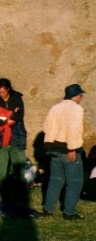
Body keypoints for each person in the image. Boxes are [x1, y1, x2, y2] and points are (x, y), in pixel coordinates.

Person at [42, 83, 86, 219]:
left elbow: (46, 128)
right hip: (69, 150)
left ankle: (48, 209)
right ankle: (69, 212)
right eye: (80, 95)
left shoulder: (55, 107)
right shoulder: (77, 109)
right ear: (76, 95)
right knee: (75, 182)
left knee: (55, 180)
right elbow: (73, 129)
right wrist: (72, 148)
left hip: (54, 150)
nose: (81, 98)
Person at [0, 78, 27, 190]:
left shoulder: (17, 98)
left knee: (19, 163)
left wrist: (5, 116)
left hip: (17, 134)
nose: (1, 94)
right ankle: (2, 189)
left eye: (3, 92)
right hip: (0, 136)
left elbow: (20, 116)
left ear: (8, 89)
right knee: (1, 165)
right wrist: (9, 117)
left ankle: (20, 190)